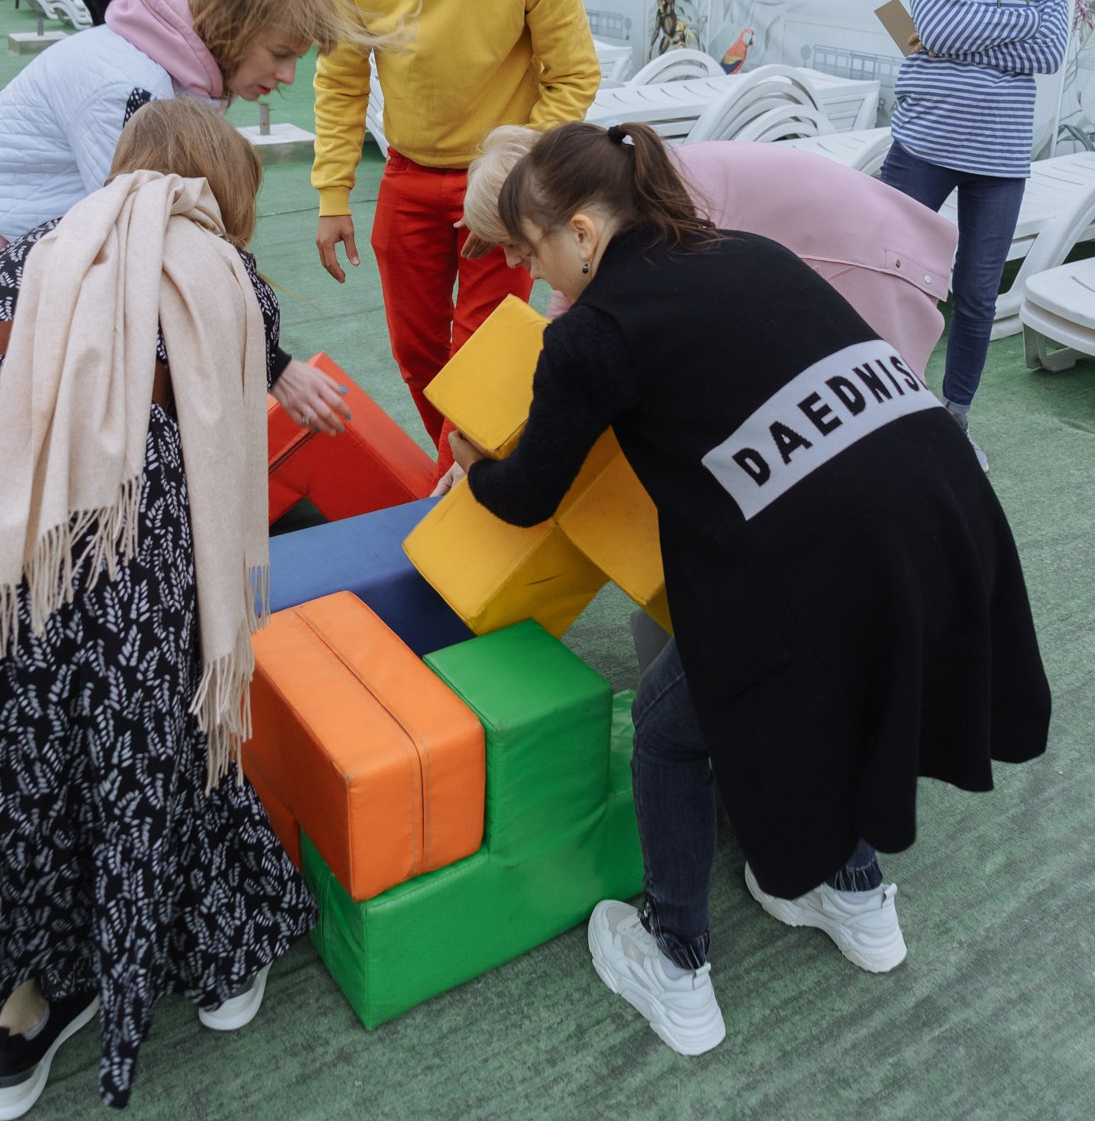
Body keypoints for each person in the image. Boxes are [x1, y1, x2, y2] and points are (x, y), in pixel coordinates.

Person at [448, 121, 1050, 1058]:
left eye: (533, 256)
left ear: (582, 234)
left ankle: (675, 957)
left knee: (667, 730)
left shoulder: (595, 332)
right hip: (950, 520)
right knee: (841, 684)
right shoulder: (747, 247)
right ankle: (854, 897)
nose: (536, 281)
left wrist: (469, 461)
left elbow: (529, 496)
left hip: (834, 560)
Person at [0, 101, 321, 1121]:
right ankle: (207, 947)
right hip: (108, 525)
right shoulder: (226, 275)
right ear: (218, 191)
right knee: (156, 740)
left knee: (0, 757)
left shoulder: (30, 253)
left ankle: (24, 1005)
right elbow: (211, 463)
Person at [312, 0, 600, 466]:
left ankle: (457, 497)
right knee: (417, 355)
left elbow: (574, 76)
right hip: (408, 175)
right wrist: (331, 194)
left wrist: (511, 176)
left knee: (481, 353)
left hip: (504, 183)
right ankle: (463, 469)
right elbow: (341, 80)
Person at [0, 0, 372, 359]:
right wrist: (270, 363)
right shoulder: (127, 86)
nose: (290, 75)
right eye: (279, 53)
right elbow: (136, 242)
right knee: (23, 433)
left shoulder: (180, 76)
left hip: (31, 263)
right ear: (237, 24)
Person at [461, 124, 958, 383]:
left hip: (868, 261)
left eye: (516, 245)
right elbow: (576, 316)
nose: (513, 261)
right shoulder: (617, 182)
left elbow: (596, 317)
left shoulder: (656, 213)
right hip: (849, 246)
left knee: (873, 419)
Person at [879, 0, 1069, 468]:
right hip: (923, 141)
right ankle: (878, 401)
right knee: (885, 270)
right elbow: (929, 25)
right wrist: (1011, 22)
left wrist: (956, 36)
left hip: (1002, 155)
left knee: (979, 295)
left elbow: (1048, 51)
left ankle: (955, 418)